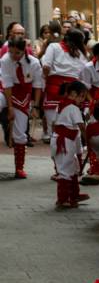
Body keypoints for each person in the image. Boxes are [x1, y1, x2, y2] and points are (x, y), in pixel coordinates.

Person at [1, 38, 43, 178]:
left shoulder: (35, 62)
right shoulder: (5, 59)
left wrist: (36, 106)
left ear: (24, 51)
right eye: (11, 51)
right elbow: (6, 83)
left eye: (17, 52)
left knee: (20, 133)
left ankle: (19, 168)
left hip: (24, 95)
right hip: (6, 91)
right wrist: (10, 107)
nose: (13, 55)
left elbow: (37, 85)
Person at [42, 29, 89, 152]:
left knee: (56, 130)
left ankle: (59, 166)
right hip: (73, 93)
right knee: (73, 128)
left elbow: (46, 67)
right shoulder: (82, 54)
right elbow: (83, 75)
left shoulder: (54, 46)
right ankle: (73, 163)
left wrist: (45, 82)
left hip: (55, 89)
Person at [51, 80, 87, 208]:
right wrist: (88, 139)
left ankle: (74, 195)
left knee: (71, 168)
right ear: (72, 94)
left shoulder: (61, 104)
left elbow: (53, 124)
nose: (83, 100)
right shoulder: (73, 108)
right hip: (64, 141)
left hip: (62, 139)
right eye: (81, 96)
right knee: (65, 170)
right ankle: (63, 199)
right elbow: (81, 126)